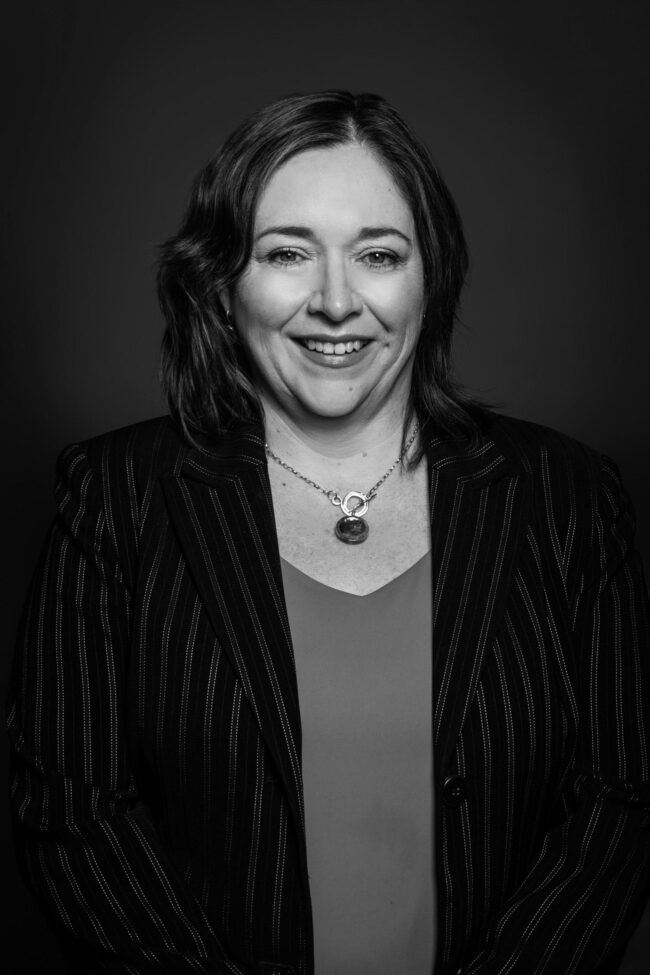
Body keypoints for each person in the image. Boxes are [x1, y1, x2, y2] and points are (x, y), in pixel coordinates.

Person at [7, 89, 650, 975]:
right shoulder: (114, 498)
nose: (337, 301)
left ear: (431, 278)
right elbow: (72, 810)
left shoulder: (570, 498)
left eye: (378, 254)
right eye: (287, 253)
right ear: (223, 284)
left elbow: (622, 796)